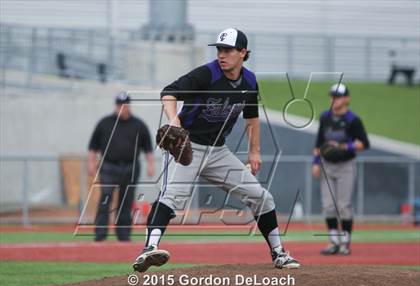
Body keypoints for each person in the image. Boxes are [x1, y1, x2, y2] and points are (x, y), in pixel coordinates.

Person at [133, 28, 300, 272]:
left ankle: (279, 254)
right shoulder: (207, 74)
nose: (222, 55)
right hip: (186, 147)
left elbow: (251, 118)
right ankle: (149, 249)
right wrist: (173, 121)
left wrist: (255, 152)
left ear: (242, 53)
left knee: (262, 197)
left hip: (218, 152)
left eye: (228, 50)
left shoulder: (250, 81)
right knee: (172, 197)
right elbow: (169, 93)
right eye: (219, 50)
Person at [88, 92, 155, 241]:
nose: (122, 108)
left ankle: (123, 235)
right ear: (116, 106)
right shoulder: (104, 123)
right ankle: (100, 234)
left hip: (130, 167)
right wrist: (91, 164)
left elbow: (148, 148)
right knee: (105, 197)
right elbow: (93, 147)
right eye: (120, 105)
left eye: (125, 105)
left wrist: (151, 165)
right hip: (108, 166)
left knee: (126, 200)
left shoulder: (138, 125)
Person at [312, 83, 370, 255]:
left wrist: (343, 146)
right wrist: (315, 162)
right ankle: (333, 242)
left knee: (343, 205)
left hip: (346, 165)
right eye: (332, 96)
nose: (334, 99)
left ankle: (345, 243)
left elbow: (364, 143)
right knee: (328, 205)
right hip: (327, 165)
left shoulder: (352, 120)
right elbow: (319, 143)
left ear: (347, 99)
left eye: (337, 96)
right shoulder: (325, 117)